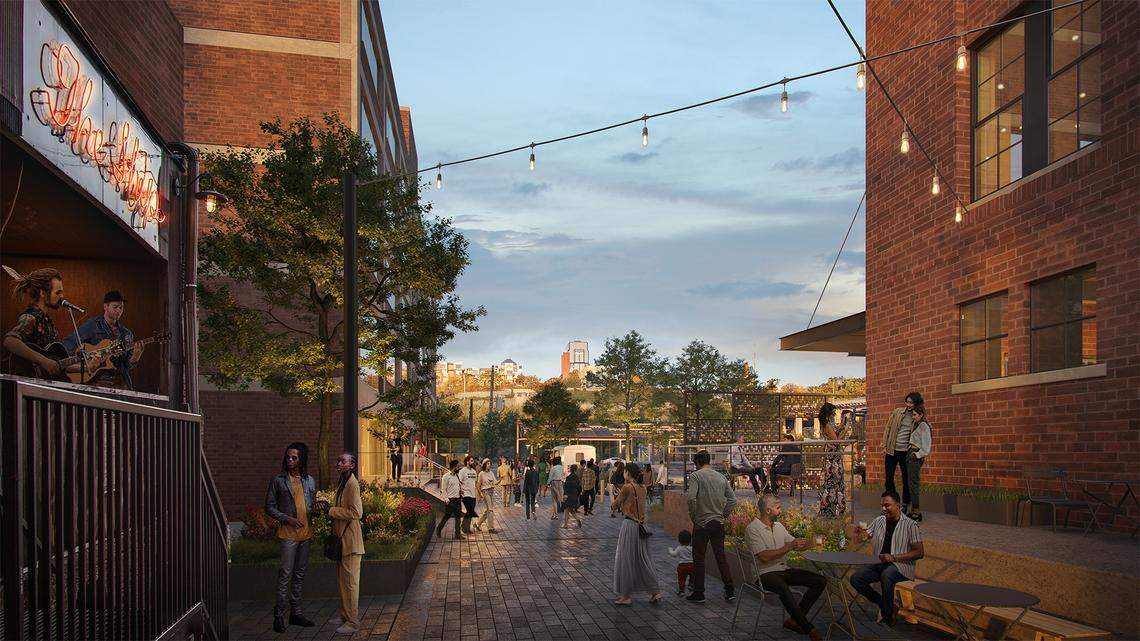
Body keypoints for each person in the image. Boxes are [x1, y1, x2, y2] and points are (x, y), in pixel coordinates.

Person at [746, 495, 827, 640]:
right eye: (778, 508)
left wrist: (810, 543)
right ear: (768, 510)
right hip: (763, 574)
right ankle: (809, 629)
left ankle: (794, 620)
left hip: (782, 569)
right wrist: (789, 547)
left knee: (819, 581)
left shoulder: (779, 527)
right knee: (783, 587)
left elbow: (795, 545)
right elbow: (764, 556)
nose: (780, 510)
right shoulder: (753, 529)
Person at [2, 267, 96, 378]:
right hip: (27, 385)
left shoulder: (47, 321)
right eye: (58, 292)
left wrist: (87, 366)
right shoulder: (30, 317)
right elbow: (10, 341)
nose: (62, 296)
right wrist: (43, 361)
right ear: (42, 293)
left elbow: (56, 364)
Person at [264, 442, 317, 633]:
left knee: (299, 575)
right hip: (288, 535)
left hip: (306, 535)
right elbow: (269, 507)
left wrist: (318, 509)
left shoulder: (309, 480)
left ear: (302, 458)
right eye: (288, 456)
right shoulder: (278, 480)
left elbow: (310, 505)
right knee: (285, 575)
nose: (290, 460)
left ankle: (296, 613)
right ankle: (278, 616)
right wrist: (287, 519)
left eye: (294, 457)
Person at [849, 490, 924, 626]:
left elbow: (919, 552)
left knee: (887, 574)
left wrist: (893, 557)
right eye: (882, 505)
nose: (883, 509)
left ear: (898, 505)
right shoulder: (879, 521)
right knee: (856, 579)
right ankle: (885, 605)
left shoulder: (910, 525)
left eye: (887, 505)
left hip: (901, 567)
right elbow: (861, 539)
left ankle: (887, 617)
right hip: (879, 563)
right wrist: (857, 534)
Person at [59, 290, 143, 389]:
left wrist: (136, 357)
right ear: (105, 307)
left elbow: (127, 365)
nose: (119, 310)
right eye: (115, 307)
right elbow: (67, 345)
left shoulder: (126, 334)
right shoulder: (92, 325)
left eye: (121, 308)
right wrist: (86, 365)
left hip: (121, 383)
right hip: (97, 381)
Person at [685, 449, 736, 603]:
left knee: (699, 558)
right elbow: (732, 500)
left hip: (702, 523)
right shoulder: (721, 477)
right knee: (721, 557)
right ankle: (730, 590)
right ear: (709, 460)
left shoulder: (695, 476)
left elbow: (691, 499)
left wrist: (695, 517)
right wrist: (723, 515)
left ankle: (699, 592)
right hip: (718, 523)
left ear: (697, 463)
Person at [325, 452, 364, 635]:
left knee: (350, 584)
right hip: (342, 541)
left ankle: (353, 622)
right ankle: (344, 616)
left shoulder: (352, 484)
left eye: (343, 461)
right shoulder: (343, 482)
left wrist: (330, 510)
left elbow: (356, 513)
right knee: (342, 581)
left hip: (350, 542)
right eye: (338, 460)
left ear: (352, 465)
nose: (338, 463)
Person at [612, 463, 661, 605]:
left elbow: (616, 504)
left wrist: (613, 501)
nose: (623, 474)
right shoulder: (643, 488)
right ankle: (655, 592)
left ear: (628, 473)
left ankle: (626, 596)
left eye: (624, 472)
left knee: (626, 559)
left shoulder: (627, 487)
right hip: (641, 526)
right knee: (643, 559)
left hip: (629, 525)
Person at [881, 392, 923, 512]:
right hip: (892, 450)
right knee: (889, 479)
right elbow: (888, 427)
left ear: (916, 403)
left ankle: (905, 504)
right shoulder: (898, 412)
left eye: (911, 402)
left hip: (906, 452)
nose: (909, 404)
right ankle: (893, 502)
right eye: (907, 402)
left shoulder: (917, 416)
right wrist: (884, 444)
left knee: (906, 479)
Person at [818, 402, 847, 517]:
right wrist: (844, 431)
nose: (835, 415)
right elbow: (836, 440)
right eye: (833, 413)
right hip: (833, 456)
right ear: (829, 413)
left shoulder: (828, 423)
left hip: (833, 455)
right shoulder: (827, 425)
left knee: (834, 482)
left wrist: (840, 427)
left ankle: (833, 509)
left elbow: (833, 435)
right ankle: (833, 509)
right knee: (834, 482)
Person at [906, 407, 932, 521]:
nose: (913, 417)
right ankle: (913, 510)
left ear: (921, 415)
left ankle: (916, 512)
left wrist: (916, 455)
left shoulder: (924, 426)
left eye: (915, 415)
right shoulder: (916, 425)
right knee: (911, 483)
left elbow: (926, 446)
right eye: (913, 415)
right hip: (911, 453)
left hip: (915, 455)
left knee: (914, 483)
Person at [436, 460, 465, 539]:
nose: (459, 468)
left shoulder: (457, 476)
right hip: (450, 501)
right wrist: (447, 500)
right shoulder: (446, 476)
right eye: (458, 467)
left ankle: (457, 534)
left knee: (458, 517)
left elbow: (457, 486)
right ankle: (439, 529)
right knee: (447, 516)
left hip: (458, 499)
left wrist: (461, 491)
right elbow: (443, 489)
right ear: (454, 467)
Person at [475, 459, 501, 533]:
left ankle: (477, 524)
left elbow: (495, 482)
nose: (489, 465)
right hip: (485, 492)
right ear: (484, 465)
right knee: (490, 510)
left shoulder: (491, 473)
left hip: (491, 492)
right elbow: (478, 485)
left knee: (488, 510)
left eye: (490, 463)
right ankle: (491, 528)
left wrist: (501, 479)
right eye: (488, 464)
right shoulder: (481, 474)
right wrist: (480, 494)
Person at [668, 530, 694, 596]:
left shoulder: (679, 548)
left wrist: (670, 550)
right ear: (690, 539)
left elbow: (674, 554)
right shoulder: (692, 548)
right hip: (692, 565)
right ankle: (691, 585)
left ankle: (682, 591)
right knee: (693, 576)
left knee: (681, 579)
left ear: (679, 540)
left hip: (682, 566)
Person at [459, 456, 479, 533]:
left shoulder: (474, 471)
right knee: (469, 510)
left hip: (473, 494)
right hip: (466, 494)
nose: (473, 462)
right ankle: (464, 527)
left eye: (473, 461)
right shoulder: (463, 471)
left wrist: (479, 493)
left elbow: (476, 483)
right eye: (471, 461)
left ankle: (465, 527)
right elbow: (459, 481)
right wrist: (460, 490)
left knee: (471, 511)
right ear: (467, 462)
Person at [561, 464, 583, 528]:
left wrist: (564, 495)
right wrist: (577, 494)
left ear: (570, 469)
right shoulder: (577, 478)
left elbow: (565, 487)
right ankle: (577, 519)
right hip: (574, 495)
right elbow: (579, 488)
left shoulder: (568, 477)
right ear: (576, 470)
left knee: (566, 510)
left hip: (568, 495)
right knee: (570, 509)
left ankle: (565, 524)